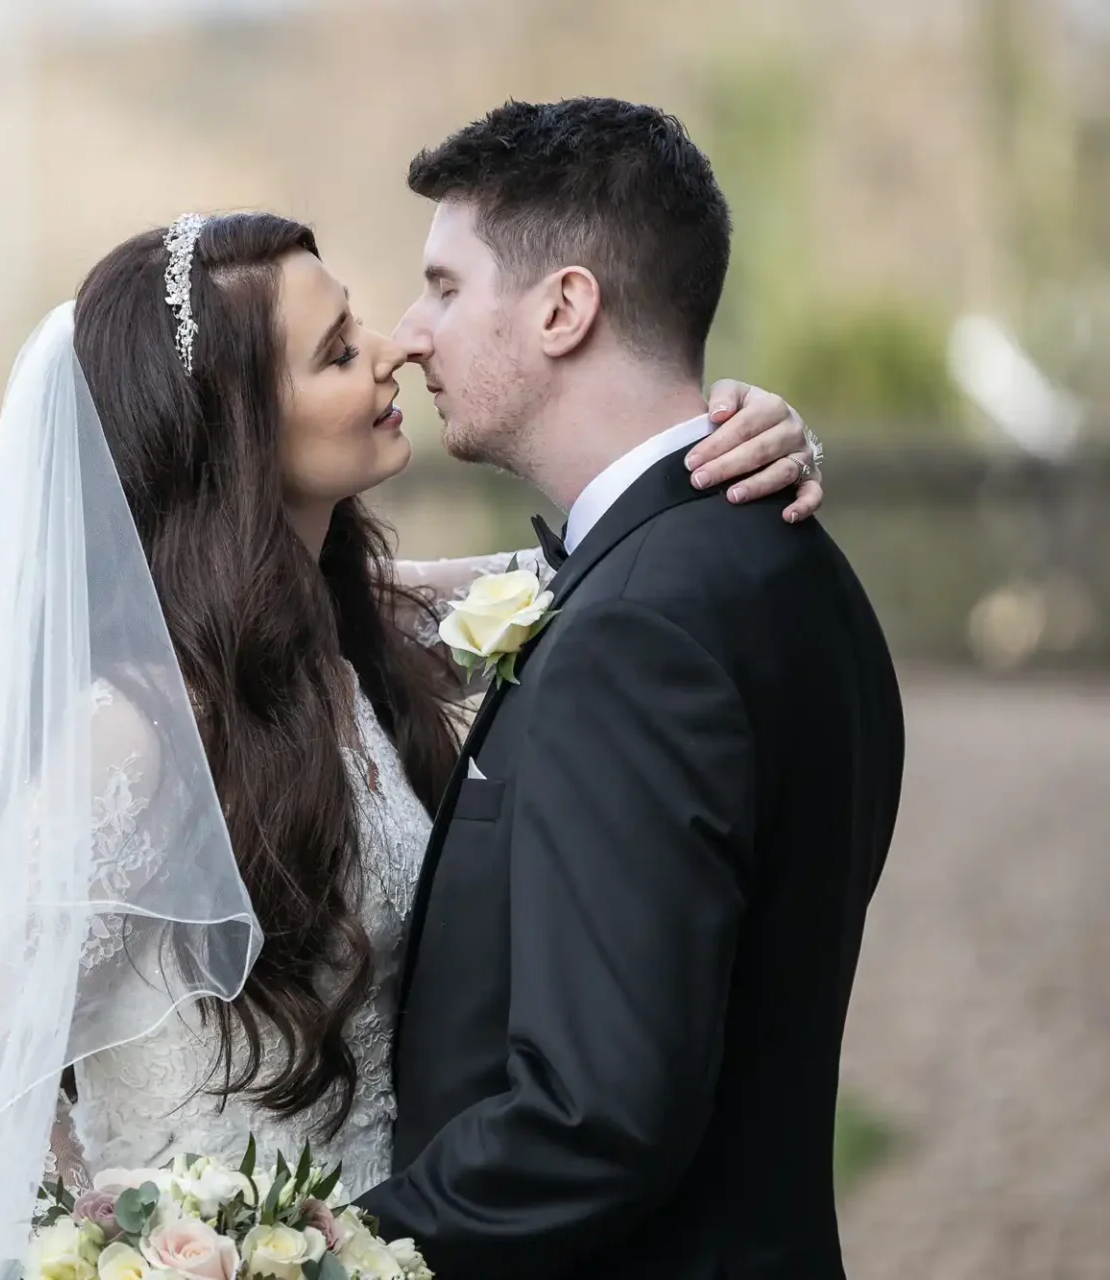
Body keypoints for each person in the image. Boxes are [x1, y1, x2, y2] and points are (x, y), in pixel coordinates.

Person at [0, 193, 827, 1278]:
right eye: (338, 351)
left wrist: (759, 436)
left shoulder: (374, 631)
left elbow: (623, 567)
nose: (392, 349)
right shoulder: (135, 732)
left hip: (410, 1246)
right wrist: (106, 1251)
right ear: (236, 432)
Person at [357, 97, 904, 1280]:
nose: (408, 334)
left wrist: (331, 1254)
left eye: (445, 287)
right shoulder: (786, 563)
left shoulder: (638, 631)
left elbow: (594, 1115)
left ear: (563, 307)